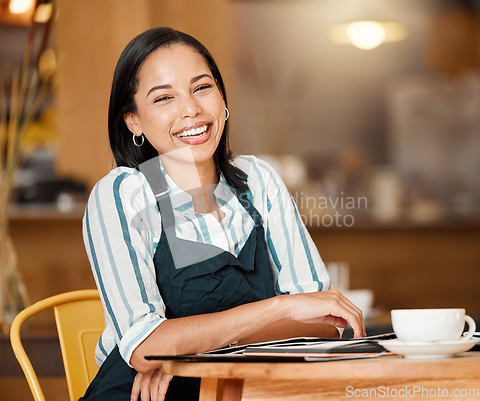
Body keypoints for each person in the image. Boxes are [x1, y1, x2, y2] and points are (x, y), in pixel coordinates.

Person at [80, 27, 365, 401]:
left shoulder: (257, 180)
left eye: (202, 87)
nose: (191, 109)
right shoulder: (125, 194)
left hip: (247, 393)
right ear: (133, 121)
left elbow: (325, 322)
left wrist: (189, 351)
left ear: (221, 95)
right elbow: (145, 348)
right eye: (164, 97)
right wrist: (281, 307)